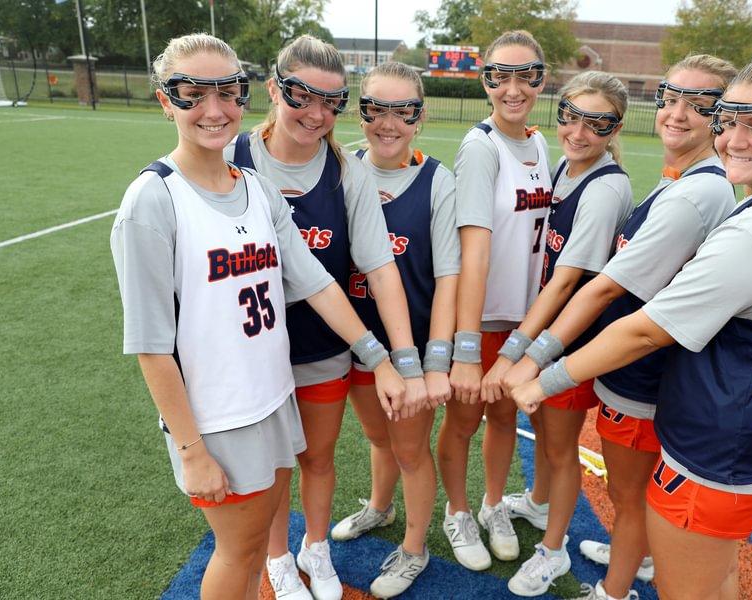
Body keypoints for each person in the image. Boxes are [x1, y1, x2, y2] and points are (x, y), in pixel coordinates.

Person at [513, 53, 752, 600]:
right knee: (714, 579)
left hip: (720, 444)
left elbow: (647, 329)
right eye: (731, 120)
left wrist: (539, 378)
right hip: (744, 436)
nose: (736, 139)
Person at [109, 33, 406, 600]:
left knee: (250, 557)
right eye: (192, 94)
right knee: (238, 552)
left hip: (272, 398)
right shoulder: (152, 200)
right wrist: (192, 450)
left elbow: (315, 281)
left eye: (228, 92)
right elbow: (151, 344)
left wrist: (377, 357)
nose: (215, 110)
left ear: (246, 96)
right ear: (164, 100)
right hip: (221, 417)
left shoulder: (256, 187)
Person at [502, 54, 738, 600]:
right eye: (671, 98)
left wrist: (533, 360)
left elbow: (604, 287)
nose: (678, 114)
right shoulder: (681, 179)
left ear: (722, 116)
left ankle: (613, 590)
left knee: (631, 497)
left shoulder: (698, 190)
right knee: (631, 494)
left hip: (640, 372)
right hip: (629, 365)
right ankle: (640, 553)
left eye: (698, 104)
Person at [226, 35, 429, 600]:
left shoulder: (348, 172)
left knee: (316, 457)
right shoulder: (232, 159)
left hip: (324, 346)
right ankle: (278, 558)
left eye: (332, 101)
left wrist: (402, 359)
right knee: (270, 466)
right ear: (274, 89)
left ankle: (315, 548)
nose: (316, 113)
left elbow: (381, 269)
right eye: (301, 95)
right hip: (251, 349)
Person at [471, 71, 633, 596]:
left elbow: (566, 281)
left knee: (562, 449)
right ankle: (539, 506)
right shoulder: (562, 164)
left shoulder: (605, 187)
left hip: (571, 337)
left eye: (597, 122)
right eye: (571, 116)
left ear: (616, 128)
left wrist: (516, 351)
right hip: (549, 328)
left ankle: (554, 551)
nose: (579, 131)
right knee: (544, 437)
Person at [327, 61, 459, 598]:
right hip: (357, 343)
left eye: (402, 110)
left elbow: (449, 276)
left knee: (410, 450)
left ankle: (414, 547)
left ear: (420, 117)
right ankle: (380, 509)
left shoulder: (437, 179)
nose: (387, 122)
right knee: (377, 437)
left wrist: (435, 361)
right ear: (359, 112)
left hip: (413, 348)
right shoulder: (339, 166)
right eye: (374, 108)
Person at [436, 29, 552, 571]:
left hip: (522, 319)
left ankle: (492, 506)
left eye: (524, 75)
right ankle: (456, 512)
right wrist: (464, 345)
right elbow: (473, 252)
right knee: (463, 421)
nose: (512, 87)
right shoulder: (481, 147)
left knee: (504, 418)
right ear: (485, 82)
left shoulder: (540, 141)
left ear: (541, 80)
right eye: (499, 76)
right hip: (482, 318)